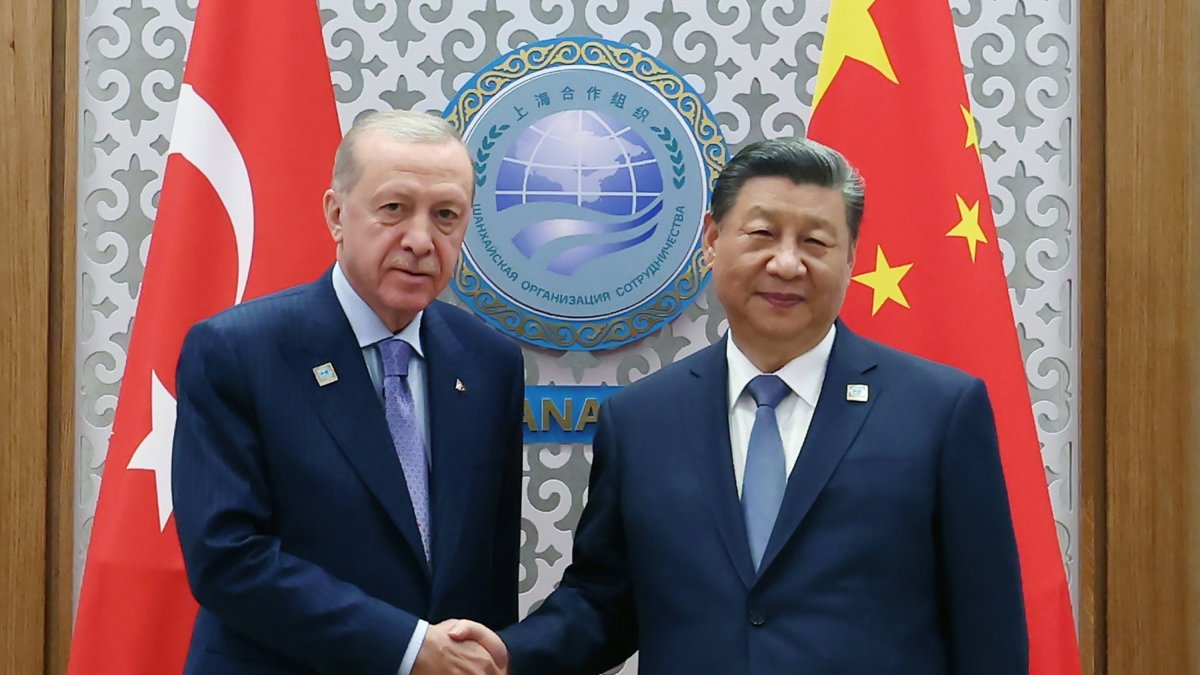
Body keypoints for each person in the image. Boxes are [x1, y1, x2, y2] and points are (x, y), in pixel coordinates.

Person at [451, 137, 1028, 674]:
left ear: (851, 256)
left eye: (816, 242)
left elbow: (988, 627)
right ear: (711, 239)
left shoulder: (939, 411)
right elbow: (605, 601)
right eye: (761, 234)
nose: (786, 264)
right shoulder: (642, 419)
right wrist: (507, 655)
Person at [172, 110, 522, 675]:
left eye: (446, 216)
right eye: (393, 209)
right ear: (337, 214)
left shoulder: (489, 361)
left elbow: (492, 565)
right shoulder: (237, 351)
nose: (420, 240)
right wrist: (409, 649)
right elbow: (227, 559)